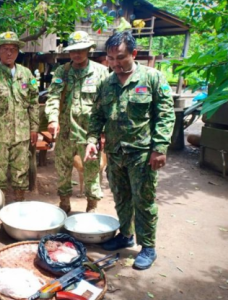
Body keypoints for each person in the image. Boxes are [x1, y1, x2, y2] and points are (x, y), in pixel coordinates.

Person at [84, 31, 175, 270]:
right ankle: (126, 235)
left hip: (142, 154)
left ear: (134, 54)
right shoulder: (107, 82)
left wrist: (159, 147)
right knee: (121, 197)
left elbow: (165, 115)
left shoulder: (153, 78)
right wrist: (92, 140)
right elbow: (97, 115)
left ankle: (147, 246)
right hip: (115, 153)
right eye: (111, 59)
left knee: (143, 201)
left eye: (121, 58)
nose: (114, 64)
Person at [45, 31, 108, 213]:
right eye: (73, 51)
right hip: (65, 131)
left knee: (91, 171)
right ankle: (64, 205)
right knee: (63, 171)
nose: (76, 54)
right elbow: (54, 96)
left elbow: (105, 103)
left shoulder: (101, 72)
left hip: (90, 133)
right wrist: (52, 118)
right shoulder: (62, 71)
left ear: (89, 49)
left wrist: (103, 131)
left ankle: (92, 207)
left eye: (81, 50)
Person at [0, 31, 39, 201]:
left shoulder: (27, 74)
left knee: (21, 173)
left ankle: (19, 207)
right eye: (5, 49)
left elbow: (33, 102)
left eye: (13, 49)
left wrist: (34, 128)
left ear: (18, 51)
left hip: (22, 134)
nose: (9, 52)